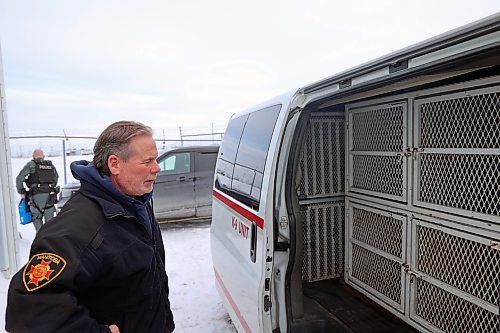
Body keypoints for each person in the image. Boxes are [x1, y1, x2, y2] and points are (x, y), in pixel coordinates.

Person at [6, 121, 175, 333]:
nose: (157, 167)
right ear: (114, 164)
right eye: (147, 161)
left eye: (156, 159)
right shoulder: (79, 226)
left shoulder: (135, 201)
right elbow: (28, 310)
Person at [16, 148, 59, 233]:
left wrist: (22, 191)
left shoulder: (31, 164)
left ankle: (40, 242)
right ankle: (50, 242)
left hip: (36, 197)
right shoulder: (50, 165)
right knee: (50, 223)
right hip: (49, 197)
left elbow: (19, 178)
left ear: (33, 156)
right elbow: (56, 178)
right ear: (43, 156)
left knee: (37, 219)